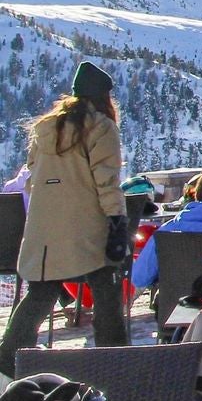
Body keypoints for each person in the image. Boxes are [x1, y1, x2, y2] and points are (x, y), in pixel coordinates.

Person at [0, 63, 132, 370]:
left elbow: (32, 179)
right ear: (103, 95)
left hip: (44, 229)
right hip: (88, 227)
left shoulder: (45, 128)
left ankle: (7, 364)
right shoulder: (101, 127)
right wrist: (117, 223)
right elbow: (106, 182)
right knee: (106, 293)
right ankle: (119, 364)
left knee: (39, 295)